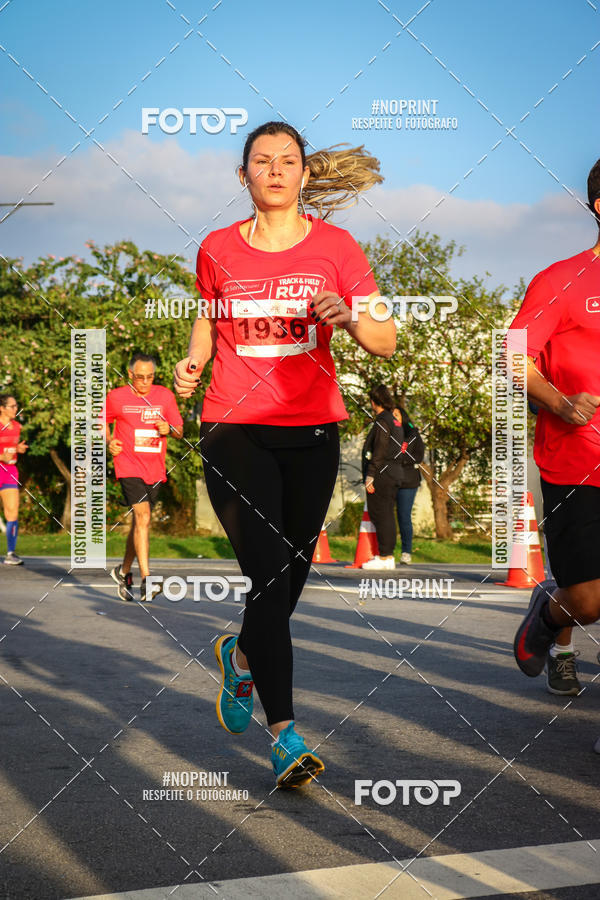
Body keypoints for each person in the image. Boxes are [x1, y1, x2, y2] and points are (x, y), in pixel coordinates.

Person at [174, 121, 395, 788]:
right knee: (269, 576)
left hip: (313, 432)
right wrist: (192, 364)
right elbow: (209, 322)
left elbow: (384, 338)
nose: (274, 170)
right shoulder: (217, 249)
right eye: (261, 161)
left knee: (290, 577)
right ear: (243, 176)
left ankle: (239, 653)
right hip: (233, 427)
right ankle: (285, 735)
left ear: (304, 175)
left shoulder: (337, 248)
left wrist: (350, 316)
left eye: (287, 161)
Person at [511, 158, 600, 713]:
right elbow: (512, 357)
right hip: (577, 462)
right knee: (589, 601)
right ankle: (552, 612)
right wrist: (561, 404)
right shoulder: (561, 280)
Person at [106, 353, 183, 602]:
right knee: (144, 516)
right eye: (141, 377)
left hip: (154, 468)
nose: (146, 382)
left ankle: (123, 571)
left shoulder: (164, 396)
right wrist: (110, 441)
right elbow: (99, 422)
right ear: (130, 375)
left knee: (141, 523)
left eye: (150, 377)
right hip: (127, 465)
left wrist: (168, 429)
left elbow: (180, 431)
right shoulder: (116, 397)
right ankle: (147, 579)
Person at [361, 385, 405, 570]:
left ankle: (385, 556)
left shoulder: (382, 421)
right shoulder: (395, 421)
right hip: (394, 472)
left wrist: (371, 474)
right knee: (387, 513)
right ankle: (388, 556)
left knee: (380, 513)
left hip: (382, 473)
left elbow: (379, 449)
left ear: (373, 402)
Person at [393, 403, 424, 566]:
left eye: (397, 415)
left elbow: (418, 456)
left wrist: (400, 460)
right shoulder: (389, 433)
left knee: (404, 516)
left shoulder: (413, 434)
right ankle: (385, 551)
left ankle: (406, 552)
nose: (394, 418)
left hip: (408, 481)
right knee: (388, 516)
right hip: (391, 479)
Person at [0, 394, 28, 565]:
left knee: (13, 511)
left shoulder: (17, 426)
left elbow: (9, 447)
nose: (15, 409)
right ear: (1, 408)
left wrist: (17, 448)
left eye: (16, 405)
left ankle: (11, 553)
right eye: (12, 406)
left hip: (9, 470)